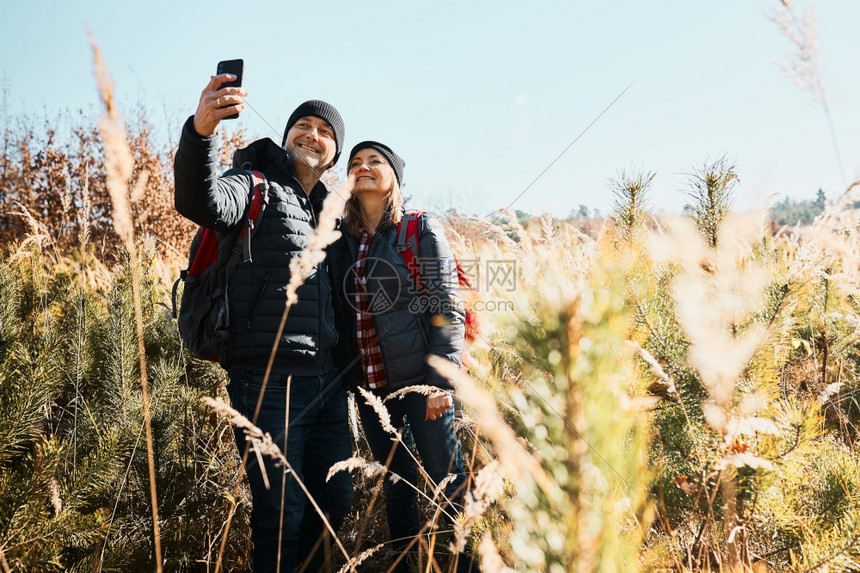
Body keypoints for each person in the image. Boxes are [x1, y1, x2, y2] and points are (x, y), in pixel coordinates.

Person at [174, 73, 353, 572]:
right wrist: (201, 131)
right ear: (286, 136)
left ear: (334, 153)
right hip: (268, 380)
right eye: (302, 125)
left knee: (335, 503)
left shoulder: (331, 214)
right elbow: (201, 201)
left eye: (324, 130)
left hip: (327, 382)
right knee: (281, 515)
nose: (310, 134)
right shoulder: (254, 185)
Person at [329, 141, 477, 572]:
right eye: (356, 162)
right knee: (396, 484)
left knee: (447, 481)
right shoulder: (342, 239)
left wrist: (440, 382)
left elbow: (447, 307)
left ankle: (463, 565)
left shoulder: (418, 228)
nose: (364, 167)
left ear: (395, 176)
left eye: (375, 161)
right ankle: (404, 565)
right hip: (371, 387)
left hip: (422, 383)